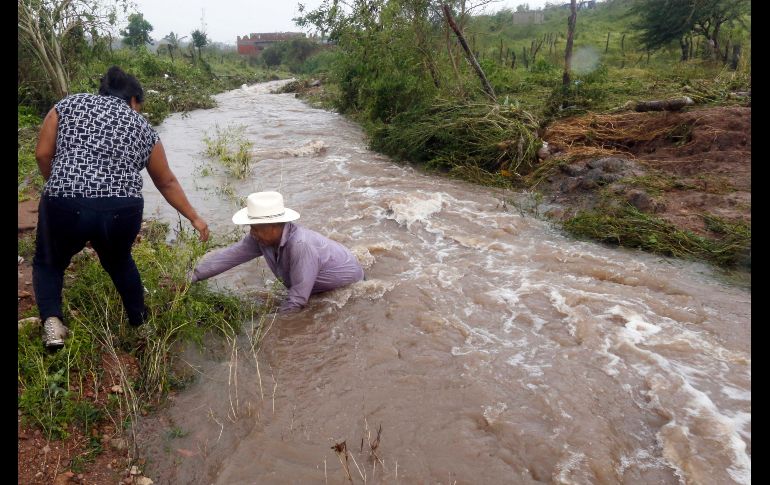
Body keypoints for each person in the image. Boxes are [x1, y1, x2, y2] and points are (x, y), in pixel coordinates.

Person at [33, 66, 209, 350]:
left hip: (65, 203)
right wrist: (195, 217)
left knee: (49, 262)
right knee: (119, 260)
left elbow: (43, 153)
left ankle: (53, 324)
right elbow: (166, 181)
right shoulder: (143, 127)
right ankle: (141, 324)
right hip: (122, 209)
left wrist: (61, 188)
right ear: (134, 101)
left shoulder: (67, 105)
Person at [190, 191, 364, 313]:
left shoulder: (300, 245)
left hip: (351, 288)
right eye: (252, 228)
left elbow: (297, 299)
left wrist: (277, 329)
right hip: (318, 284)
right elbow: (229, 256)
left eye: (256, 228)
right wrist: (191, 277)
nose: (252, 233)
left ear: (276, 226)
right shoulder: (260, 239)